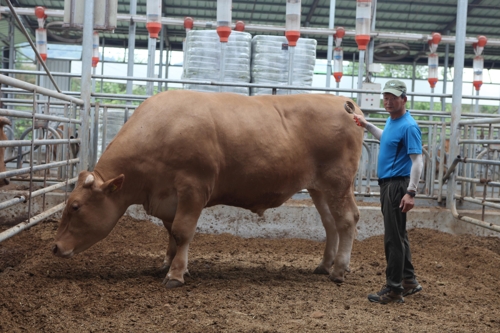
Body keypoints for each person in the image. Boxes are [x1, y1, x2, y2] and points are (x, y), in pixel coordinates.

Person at [353, 80, 424, 304]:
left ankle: (394, 290)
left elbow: (417, 160)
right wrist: (366, 125)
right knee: (399, 235)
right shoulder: (393, 121)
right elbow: (387, 139)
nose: (388, 101)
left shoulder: (409, 126)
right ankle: (409, 280)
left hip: (397, 186)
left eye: (393, 97)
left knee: (392, 239)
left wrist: (411, 192)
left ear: (404, 99)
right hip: (390, 184)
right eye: (386, 97)